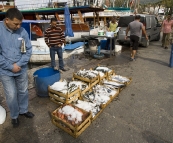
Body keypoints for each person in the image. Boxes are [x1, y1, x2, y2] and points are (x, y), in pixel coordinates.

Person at [0, 8, 34, 128]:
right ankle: (14, 116)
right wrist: (10, 66)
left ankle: (23, 110)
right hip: (5, 71)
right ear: (7, 20)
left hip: (21, 68)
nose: (19, 26)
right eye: (16, 24)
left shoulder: (22, 31)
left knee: (23, 91)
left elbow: (28, 50)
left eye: (20, 23)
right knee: (11, 95)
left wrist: (18, 64)